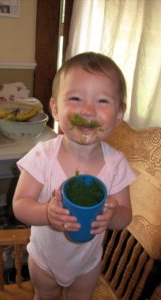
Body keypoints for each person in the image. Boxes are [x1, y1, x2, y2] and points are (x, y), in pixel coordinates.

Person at [13, 52, 137, 300]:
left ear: (119, 114)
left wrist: (112, 216)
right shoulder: (43, 156)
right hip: (44, 260)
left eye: (102, 101)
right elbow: (19, 205)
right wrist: (46, 212)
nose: (88, 110)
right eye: (76, 98)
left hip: (87, 263)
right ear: (56, 109)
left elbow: (125, 215)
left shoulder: (116, 164)